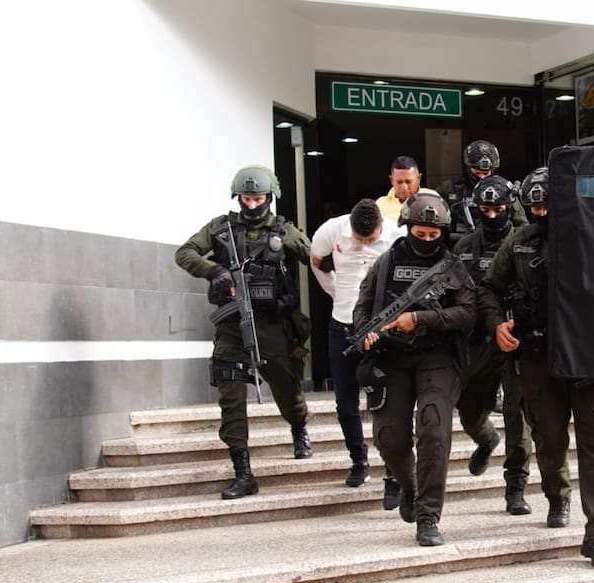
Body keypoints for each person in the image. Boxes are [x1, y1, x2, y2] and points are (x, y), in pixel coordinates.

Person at [478, 166, 594, 569]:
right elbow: (488, 287)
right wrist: (495, 323)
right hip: (538, 354)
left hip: (588, 358)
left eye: (546, 204)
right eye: (533, 205)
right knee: (549, 437)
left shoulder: (592, 234)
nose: (540, 212)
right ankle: (557, 495)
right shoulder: (519, 242)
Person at [175, 165, 314, 500]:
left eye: (258, 198)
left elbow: (316, 257)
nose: (252, 205)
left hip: (273, 325)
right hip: (231, 326)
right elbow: (185, 253)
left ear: (270, 197)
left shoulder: (284, 230)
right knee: (231, 397)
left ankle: (299, 426)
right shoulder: (220, 228)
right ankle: (242, 472)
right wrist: (215, 270)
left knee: (286, 387)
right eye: (246, 198)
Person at [352, 192, 476, 546]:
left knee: (435, 433)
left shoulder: (454, 267)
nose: (425, 241)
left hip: (438, 356)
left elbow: (469, 314)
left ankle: (428, 516)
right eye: (419, 234)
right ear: (407, 227)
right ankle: (409, 487)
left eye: (432, 235)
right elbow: (362, 307)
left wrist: (420, 318)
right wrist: (366, 335)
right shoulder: (386, 263)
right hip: (391, 357)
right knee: (390, 439)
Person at [310, 198, 404, 501]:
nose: (365, 243)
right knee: (346, 402)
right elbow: (318, 265)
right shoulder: (330, 231)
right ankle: (358, 460)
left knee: (386, 402)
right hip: (342, 324)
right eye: (360, 239)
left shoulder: (396, 236)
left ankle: (393, 471)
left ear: (380, 226)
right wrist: (338, 294)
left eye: (371, 238)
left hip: (380, 328)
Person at [453, 175, 533, 515]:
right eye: (485, 209)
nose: (491, 216)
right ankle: (487, 441)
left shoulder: (525, 243)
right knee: (470, 413)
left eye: (499, 209)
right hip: (477, 341)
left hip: (515, 339)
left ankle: (516, 485)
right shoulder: (463, 247)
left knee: (518, 418)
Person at [433, 139, 527, 245]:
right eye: (477, 173)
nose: (481, 177)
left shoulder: (504, 190)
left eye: (486, 173)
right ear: (469, 167)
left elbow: (522, 226)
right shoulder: (451, 188)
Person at [374, 155, 440, 223]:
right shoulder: (380, 204)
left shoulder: (432, 198)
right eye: (399, 182)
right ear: (391, 180)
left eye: (408, 182)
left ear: (419, 179)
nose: (404, 187)